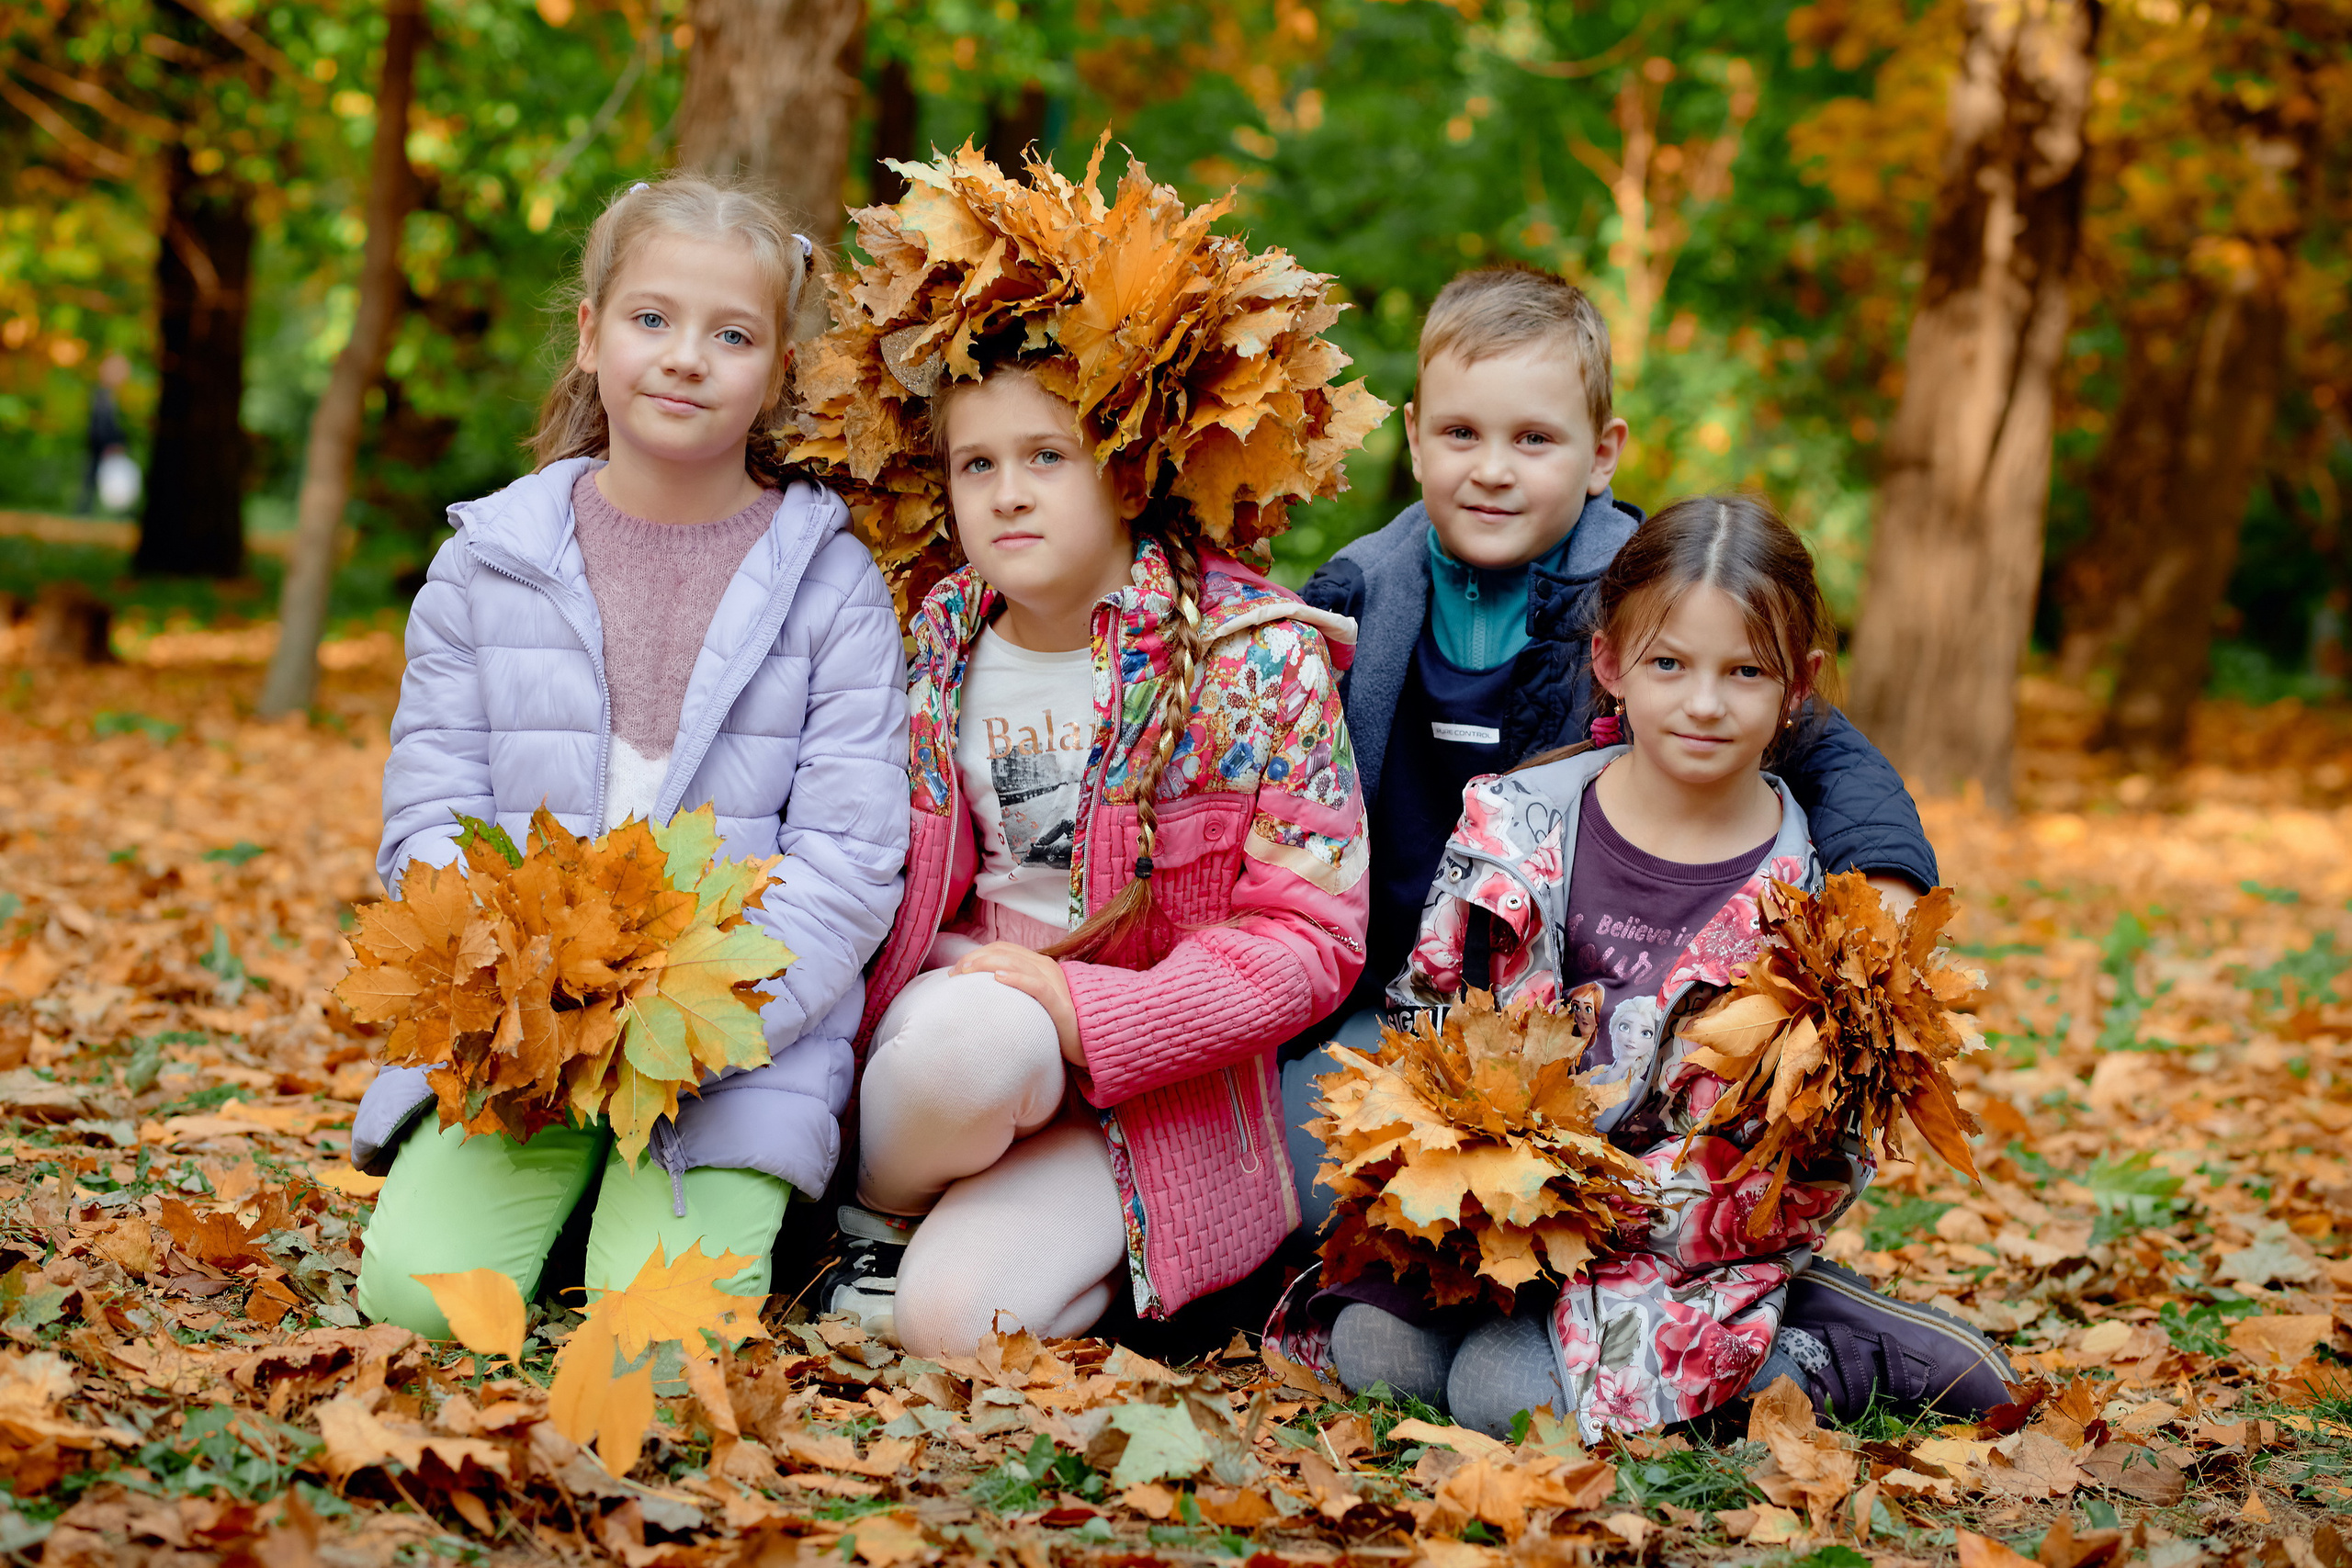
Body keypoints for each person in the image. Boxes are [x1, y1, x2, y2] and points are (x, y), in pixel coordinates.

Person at [791, 144, 1376, 1358]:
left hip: (1144, 1080)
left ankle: (971, 1262)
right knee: (978, 1039)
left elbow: (1312, 935)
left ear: (1123, 461)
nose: (1008, 493)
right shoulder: (937, 634)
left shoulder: (1251, 652)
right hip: (949, 1046)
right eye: (977, 464)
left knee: (959, 1328)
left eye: (1045, 456)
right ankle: (876, 1219)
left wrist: (1088, 1004)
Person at [1283, 495, 2010, 1438]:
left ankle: (1824, 1344)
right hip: (1501, 1212)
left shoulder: (1814, 906)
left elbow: (1809, 1157)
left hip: (1682, 1238)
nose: (1702, 703)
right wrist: (1472, 1180)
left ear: (1799, 687)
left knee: (1500, 1401)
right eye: (1667, 664)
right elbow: (1428, 1022)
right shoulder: (1511, 825)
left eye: (1745, 672)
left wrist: (1596, 1214)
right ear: (1610, 664)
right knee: (1377, 1358)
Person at [346, 174, 910, 1336]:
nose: (686, 358)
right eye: (653, 320)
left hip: (726, 1049)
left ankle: (683, 1218)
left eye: (733, 334)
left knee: (657, 1338)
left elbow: (848, 860)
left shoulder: (833, 583)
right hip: (523, 1036)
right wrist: (531, 993)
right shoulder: (485, 563)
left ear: (775, 371)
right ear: (594, 333)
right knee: (418, 1304)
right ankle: (555, 1196)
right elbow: (431, 818)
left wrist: (687, 1021)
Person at [1283, 266, 1939, 1200]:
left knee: (1578, 1209)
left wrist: (1883, 877)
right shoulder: (1356, 599)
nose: (1493, 468)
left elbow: (1818, 744)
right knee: (1312, 1193)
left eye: (1535, 439)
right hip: (1384, 999)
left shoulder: (1643, 603)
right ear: (1415, 441)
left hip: (1582, 1025)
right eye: (1461, 433)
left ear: (1600, 455)